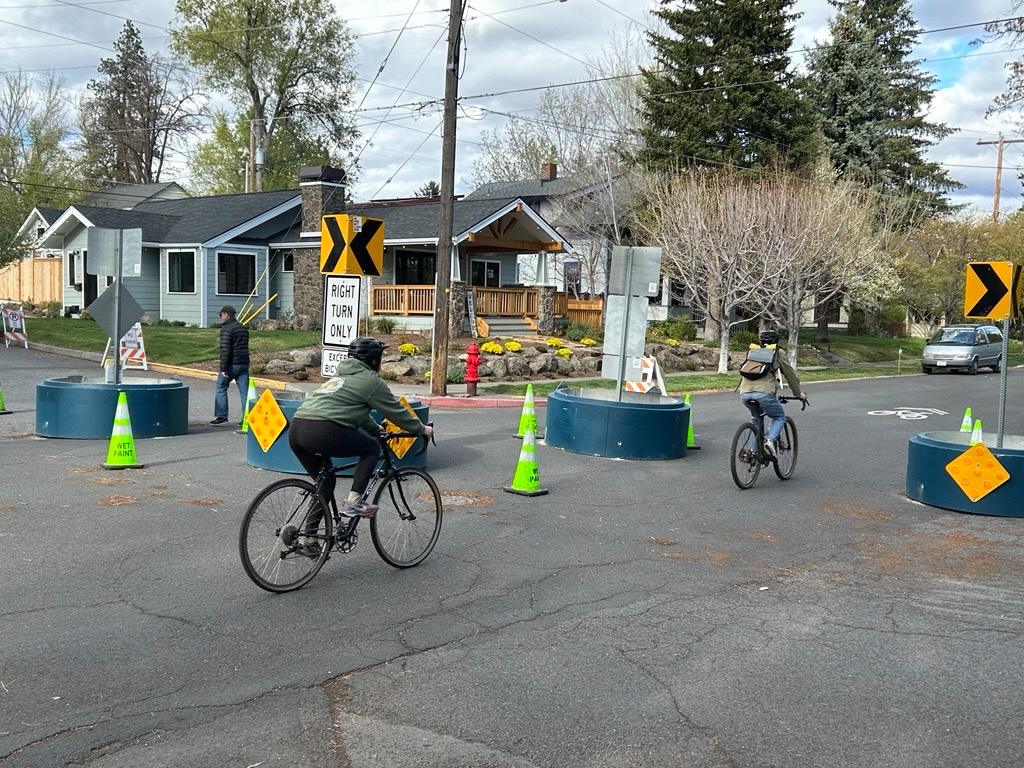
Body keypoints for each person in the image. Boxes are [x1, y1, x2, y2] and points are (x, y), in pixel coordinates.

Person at [288, 336, 433, 519]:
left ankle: (309, 539)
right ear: (374, 361)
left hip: (297, 429)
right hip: (325, 430)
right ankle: (354, 502)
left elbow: (357, 413)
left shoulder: (337, 379)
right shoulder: (371, 381)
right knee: (371, 448)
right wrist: (421, 429)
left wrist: (375, 429)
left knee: (325, 481)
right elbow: (396, 412)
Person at [738, 329, 806, 459]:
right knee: (779, 417)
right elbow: (790, 375)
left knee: (756, 419)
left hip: (745, 393)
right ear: (776, 341)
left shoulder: (753, 351)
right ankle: (770, 441)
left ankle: (752, 452)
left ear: (760, 341)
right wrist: (798, 394)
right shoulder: (778, 353)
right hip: (765, 393)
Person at [210, 305, 250, 426]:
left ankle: (222, 416)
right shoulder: (243, 328)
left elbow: (225, 349)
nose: (221, 317)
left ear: (227, 315)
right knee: (245, 393)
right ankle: (247, 419)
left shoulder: (227, 329)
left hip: (232, 364)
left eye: (221, 314)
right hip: (244, 363)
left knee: (221, 387)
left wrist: (223, 368)